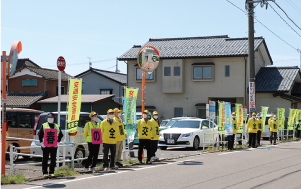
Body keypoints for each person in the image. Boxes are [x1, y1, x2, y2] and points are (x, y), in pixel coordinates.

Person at [38, 112, 63, 177]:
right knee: (45, 159)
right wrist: (41, 143)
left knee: (53, 159)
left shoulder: (57, 126)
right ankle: (45, 172)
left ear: (54, 118)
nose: (50, 118)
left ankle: (51, 172)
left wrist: (57, 142)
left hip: (53, 146)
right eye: (49, 117)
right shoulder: (44, 125)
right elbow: (40, 135)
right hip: (45, 146)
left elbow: (60, 135)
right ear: (47, 118)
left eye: (51, 117)